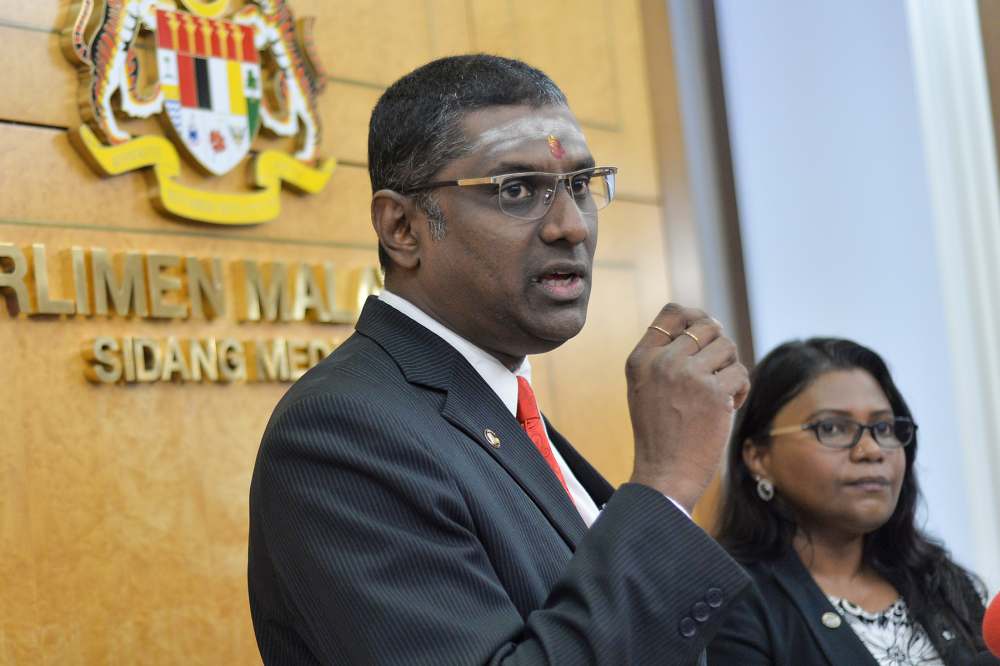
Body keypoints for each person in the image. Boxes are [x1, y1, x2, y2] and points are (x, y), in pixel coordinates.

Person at [247, 54, 752, 664]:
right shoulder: (341, 432)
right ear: (402, 227)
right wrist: (666, 484)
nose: (571, 227)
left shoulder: (493, 404)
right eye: (517, 190)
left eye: (579, 186)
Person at [708, 338, 989, 665]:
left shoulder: (939, 580)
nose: (871, 450)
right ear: (758, 457)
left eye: (883, 427)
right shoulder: (727, 600)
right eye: (832, 428)